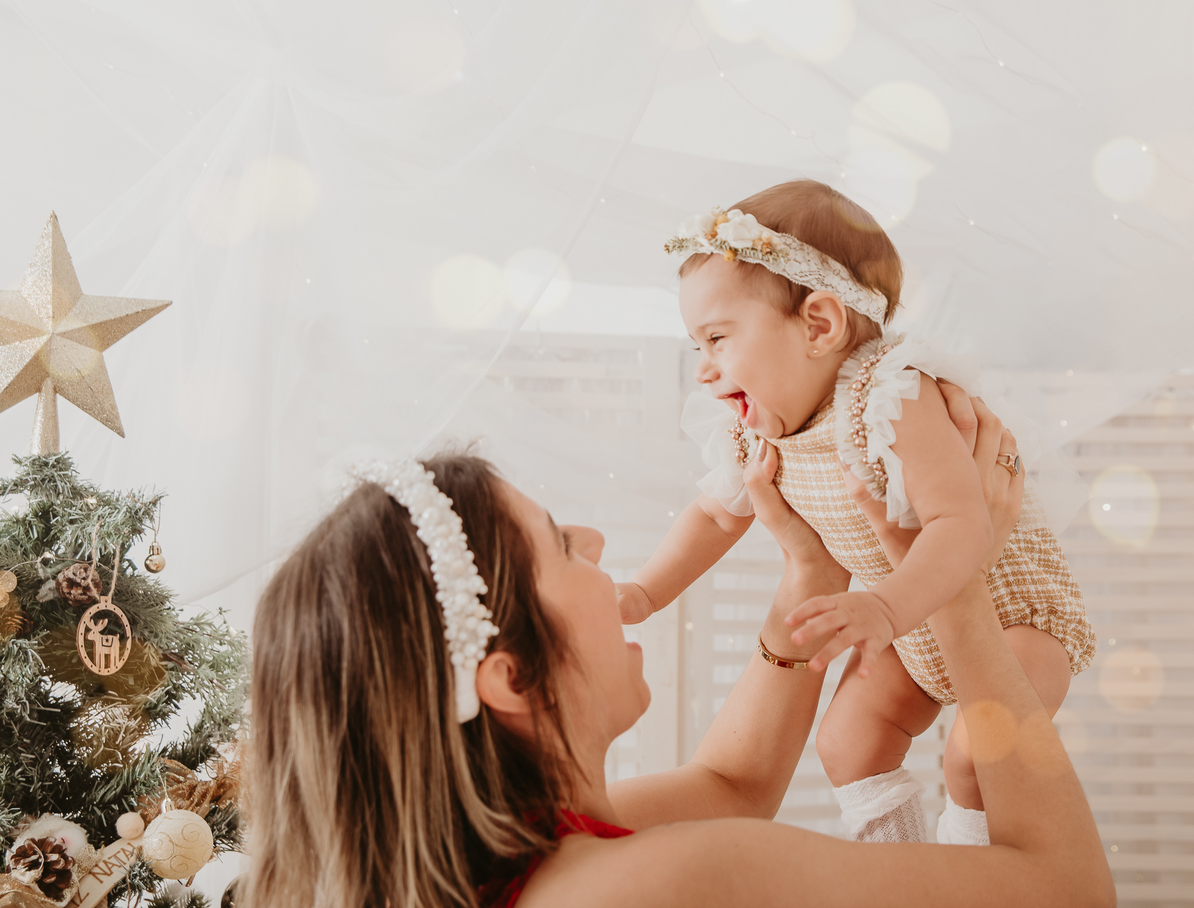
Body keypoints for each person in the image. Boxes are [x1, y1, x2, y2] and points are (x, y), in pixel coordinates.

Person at [243, 389, 1114, 908]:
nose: (593, 539)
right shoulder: (674, 879)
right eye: (560, 546)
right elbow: (1068, 894)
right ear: (511, 676)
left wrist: (810, 570)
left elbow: (732, 786)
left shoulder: (531, 858)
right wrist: (955, 584)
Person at [616, 180, 1095, 844]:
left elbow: (962, 525)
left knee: (976, 755)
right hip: (904, 626)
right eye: (698, 345)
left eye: (717, 338)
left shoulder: (891, 396)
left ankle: (971, 875)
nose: (702, 369)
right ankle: (897, 869)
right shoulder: (758, 429)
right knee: (845, 741)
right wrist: (646, 592)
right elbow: (716, 515)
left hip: (1011, 617)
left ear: (819, 324)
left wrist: (886, 609)